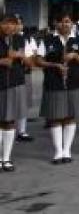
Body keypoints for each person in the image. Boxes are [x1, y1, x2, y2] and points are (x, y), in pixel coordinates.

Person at [35, 14, 79, 164]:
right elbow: (38, 60)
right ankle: (58, 151)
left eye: (67, 21)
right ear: (56, 23)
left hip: (74, 83)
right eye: (61, 21)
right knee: (56, 117)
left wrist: (75, 57)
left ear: (72, 24)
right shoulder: (48, 40)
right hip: (54, 82)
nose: (64, 24)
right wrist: (55, 65)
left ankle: (67, 150)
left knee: (71, 116)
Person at [0, 15, 29, 171]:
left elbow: (29, 61)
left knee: (10, 120)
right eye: (5, 23)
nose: (9, 26)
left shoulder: (19, 39)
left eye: (12, 23)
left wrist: (20, 56)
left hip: (15, 83)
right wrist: (2, 61)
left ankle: (6, 158)